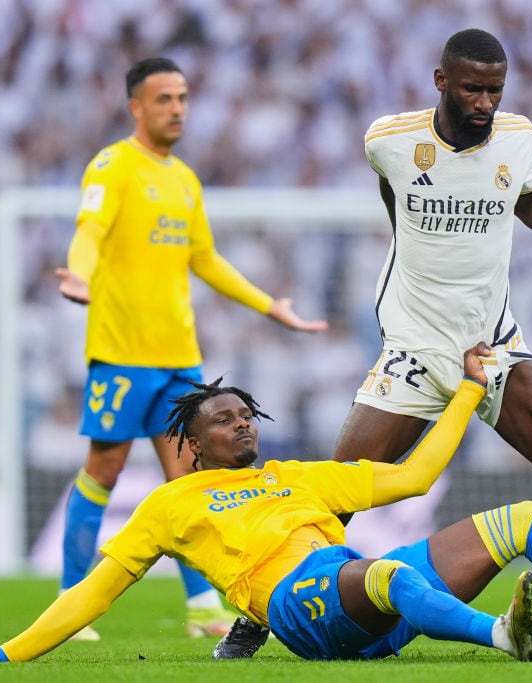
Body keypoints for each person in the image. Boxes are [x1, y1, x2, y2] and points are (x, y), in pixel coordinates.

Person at [215, 26, 532, 657]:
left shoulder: (517, 138)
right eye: (473, 89)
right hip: (413, 350)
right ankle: (258, 616)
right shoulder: (390, 140)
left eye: (495, 89)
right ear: (442, 82)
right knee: (336, 496)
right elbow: (396, 202)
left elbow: (531, 202)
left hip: (493, 348)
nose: (486, 103)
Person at [0, 344, 532, 665]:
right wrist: (5, 653)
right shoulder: (174, 504)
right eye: (223, 419)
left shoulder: (305, 475)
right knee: (374, 571)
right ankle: (503, 636)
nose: (242, 423)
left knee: (519, 521)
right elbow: (92, 592)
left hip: (365, 593)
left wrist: (470, 391)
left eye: (246, 413)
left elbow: (412, 479)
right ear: (194, 443)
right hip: (298, 606)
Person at [52, 56, 327, 641]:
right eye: (163, 99)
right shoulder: (113, 166)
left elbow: (204, 259)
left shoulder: (184, 179)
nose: (176, 108)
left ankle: (204, 604)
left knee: (191, 479)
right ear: (136, 107)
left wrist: (268, 305)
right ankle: (72, 600)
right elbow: (89, 233)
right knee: (104, 467)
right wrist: (78, 276)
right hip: (122, 354)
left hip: (180, 357)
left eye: (182, 98)